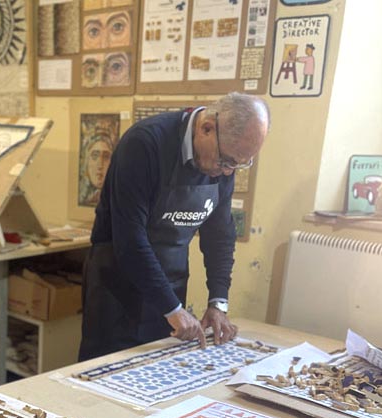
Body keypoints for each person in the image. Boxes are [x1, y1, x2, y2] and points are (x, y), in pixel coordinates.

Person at [79, 93, 270, 360]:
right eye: (226, 162)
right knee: (104, 377)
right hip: (118, 286)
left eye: (239, 164)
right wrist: (172, 309)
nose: (228, 172)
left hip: (171, 282)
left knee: (155, 375)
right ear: (206, 128)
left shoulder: (224, 158)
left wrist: (218, 302)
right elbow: (130, 239)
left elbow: (220, 237)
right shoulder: (145, 144)